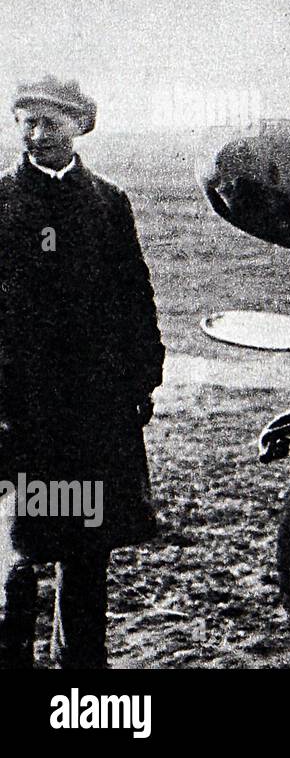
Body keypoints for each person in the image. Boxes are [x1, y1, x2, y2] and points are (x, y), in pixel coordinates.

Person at [0, 76, 165, 668]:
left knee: (86, 546)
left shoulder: (106, 202)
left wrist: (143, 378)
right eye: (27, 122)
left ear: (79, 126)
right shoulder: (3, 203)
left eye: (50, 122)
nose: (37, 134)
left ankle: (81, 669)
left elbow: (134, 295)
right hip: (22, 410)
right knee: (18, 549)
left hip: (94, 409)